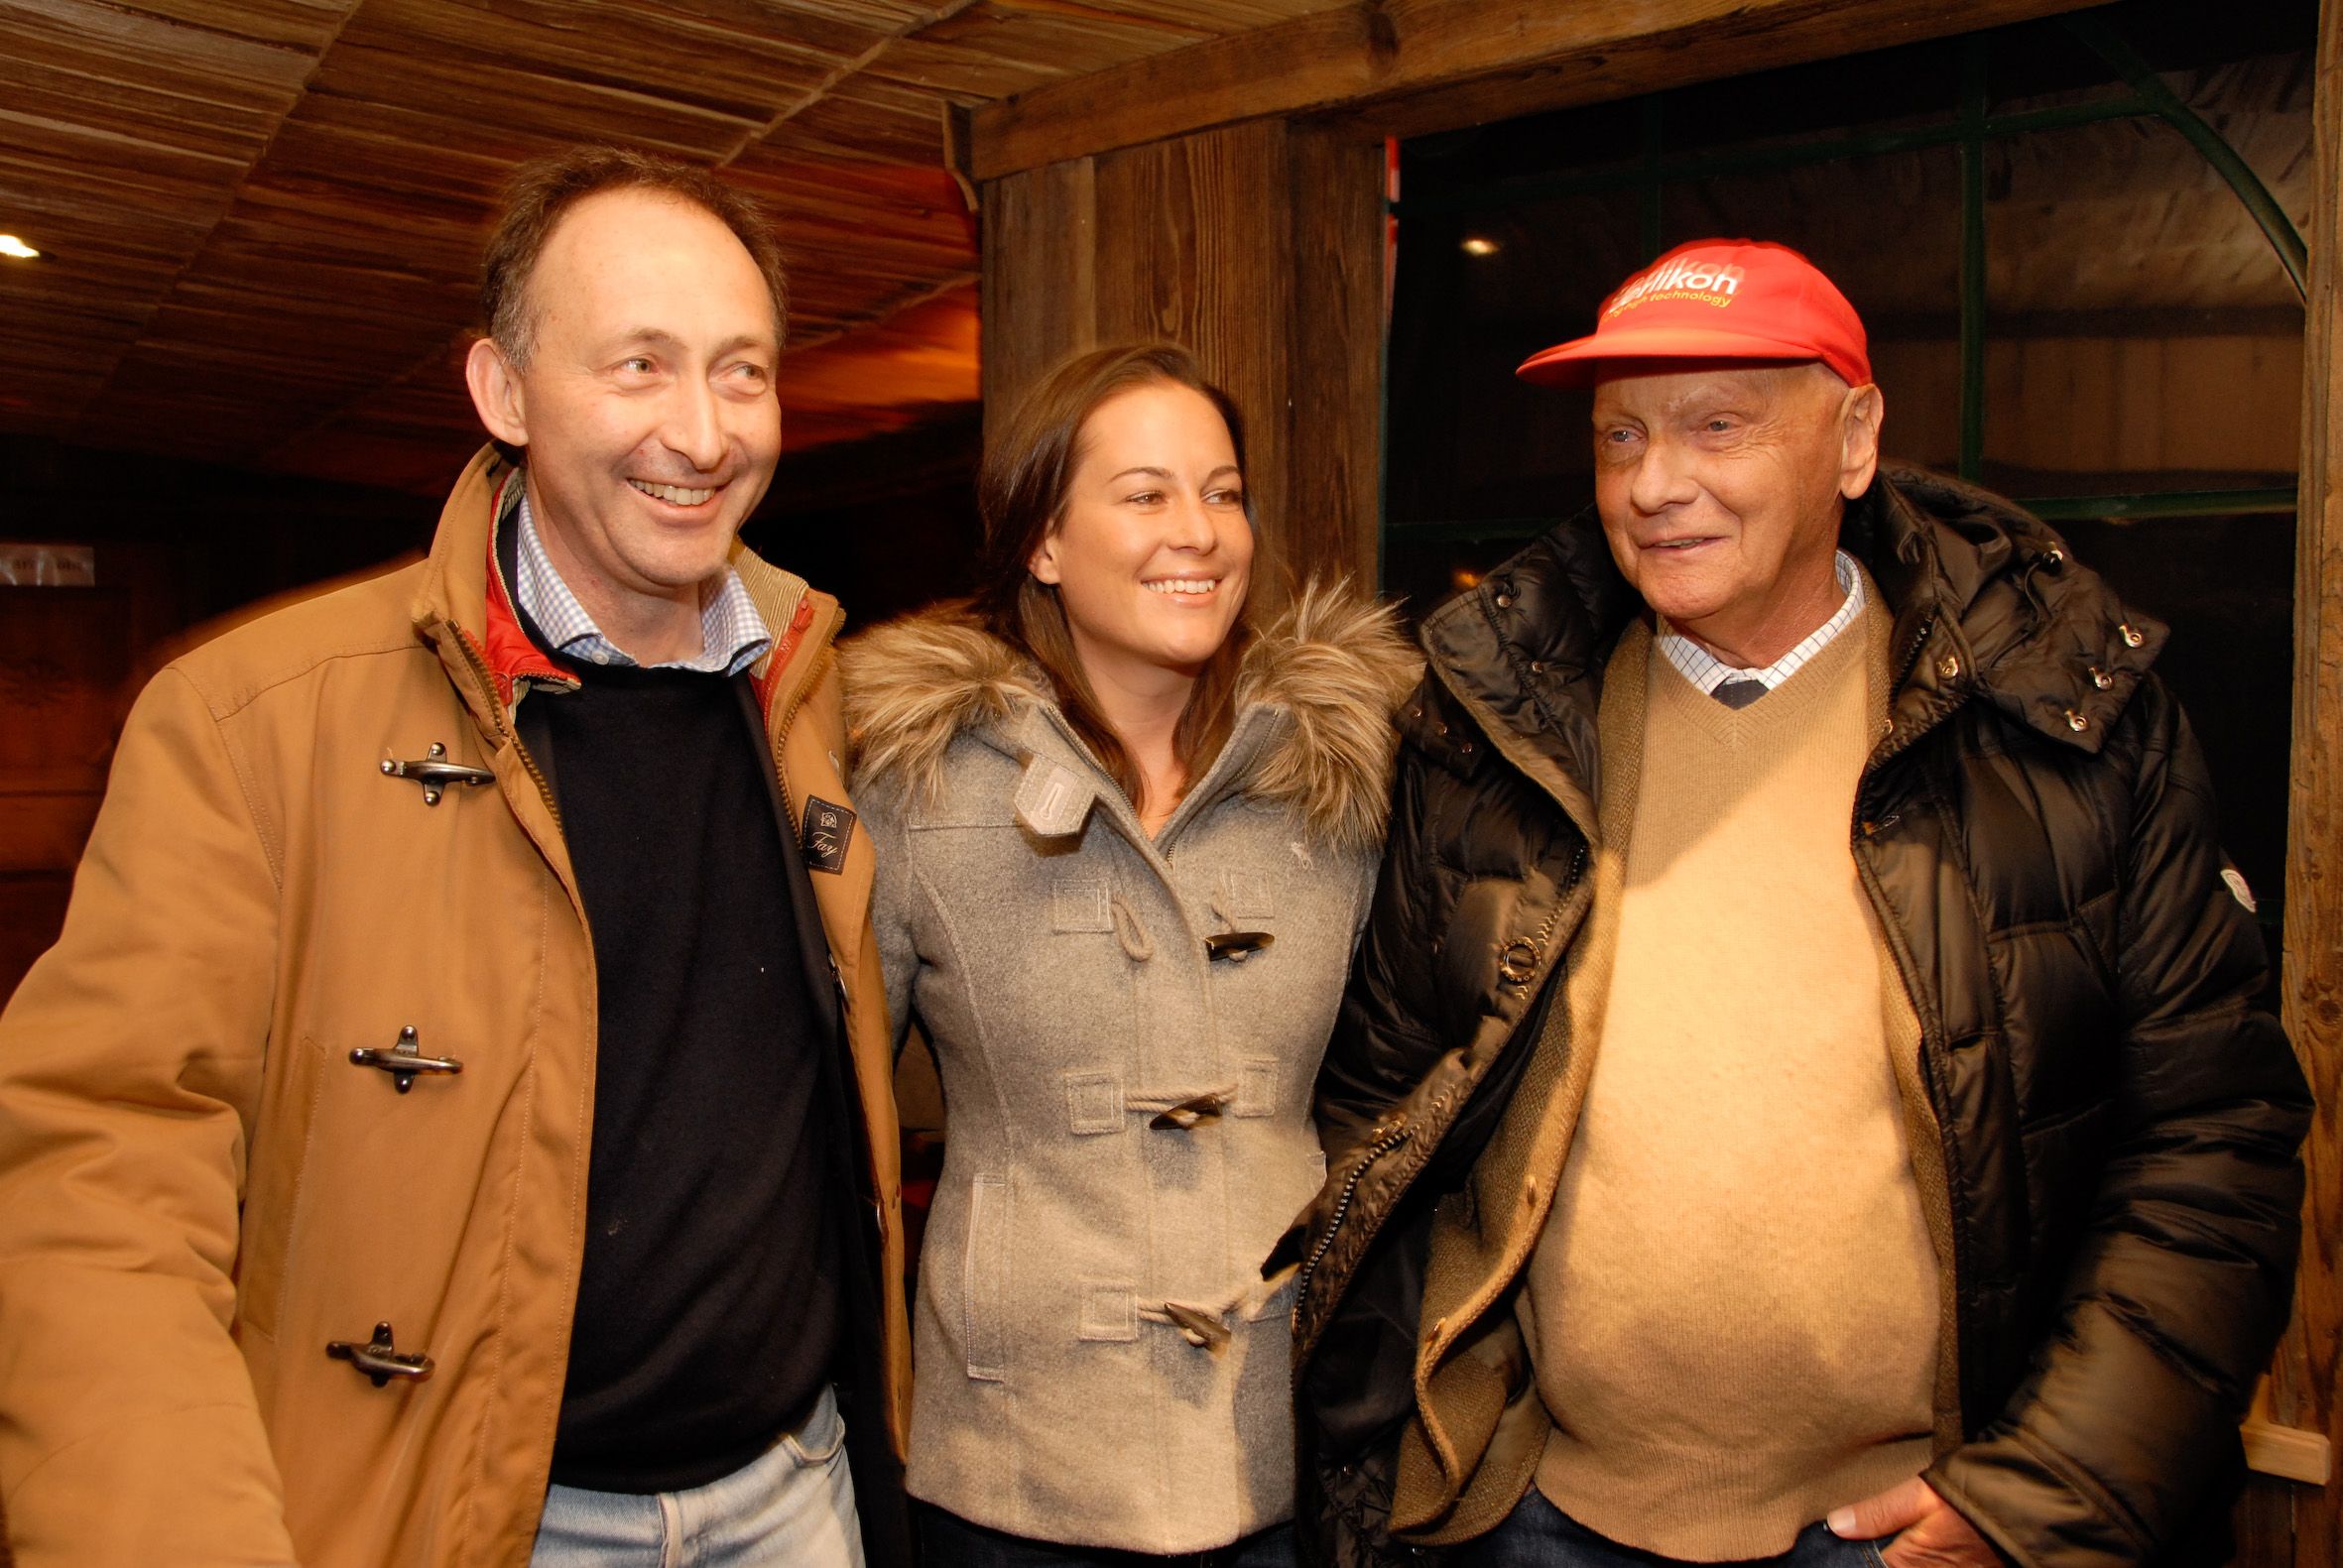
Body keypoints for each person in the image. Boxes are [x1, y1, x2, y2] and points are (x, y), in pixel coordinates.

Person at [1285, 240, 2311, 1568]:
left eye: (1717, 425)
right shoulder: (1495, 732)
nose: (1656, 484)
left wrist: (2045, 1491)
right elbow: (1379, 1104)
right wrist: (1408, 1439)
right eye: (1619, 436)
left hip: (1906, 1529)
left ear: (1852, 436)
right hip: (1535, 1511)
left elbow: (2211, 1144)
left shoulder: (2059, 727)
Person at [0, 147, 911, 1568]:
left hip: (800, 1499)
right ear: (501, 392)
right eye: (638, 366)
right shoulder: (252, 721)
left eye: (742, 371)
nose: (703, 429)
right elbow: (91, 1179)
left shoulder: (817, 693)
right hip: (470, 1524)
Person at [840, 343, 1418, 1565]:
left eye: (1221, 492)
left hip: (1285, 1445)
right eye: (1145, 494)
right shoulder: (917, 787)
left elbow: (1404, 1100)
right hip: (1008, 1463)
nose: (1197, 531)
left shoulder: (1350, 783)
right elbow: (833, 1121)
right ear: (1043, 542)